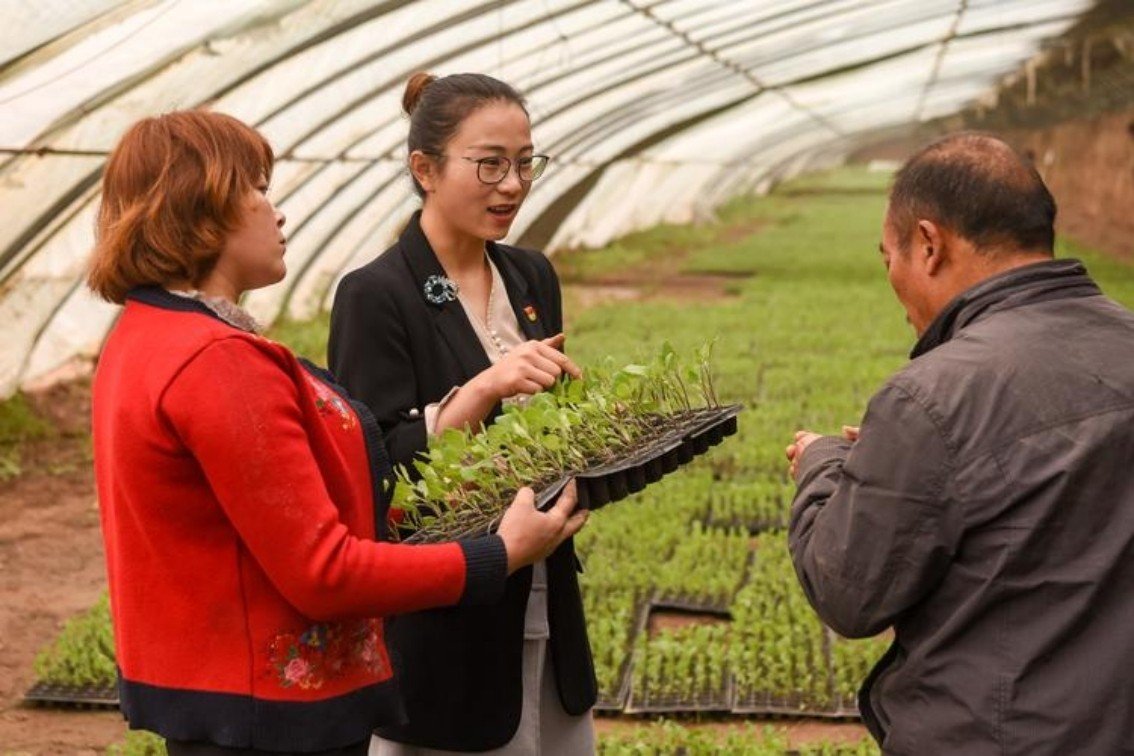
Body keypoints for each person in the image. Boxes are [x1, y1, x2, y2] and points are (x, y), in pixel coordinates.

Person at [87, 109, 586, 756]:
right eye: (257, 189)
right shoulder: (217, 361)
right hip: (267, 719)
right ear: (200, 206)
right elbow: (323, 571)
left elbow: (286, 506)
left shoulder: (150, 334)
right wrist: (498, 555)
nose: (278, 213)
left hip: (222, 700)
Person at [784, 133, 1134, 754]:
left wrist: (824, 463)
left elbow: (850, 592)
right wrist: (906, 461)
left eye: (888, 257)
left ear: (929, 244)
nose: (892, 280)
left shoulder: (932, 398)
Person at [328, 73, 596, 754]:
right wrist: (480, 391)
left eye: (525, 163)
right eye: (490, 164)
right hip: (447, 617)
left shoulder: (530, 276)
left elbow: (550, 428)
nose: (513, 185)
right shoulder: (375, 295)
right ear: (425, 169)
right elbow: (375, 470)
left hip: (543, 584)